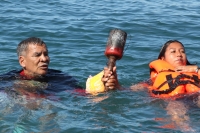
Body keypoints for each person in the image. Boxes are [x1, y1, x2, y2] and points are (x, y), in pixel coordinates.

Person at [1, 37, 118, 98]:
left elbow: (85, 95)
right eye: (37, 55)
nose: (44, 59)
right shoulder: (7, 80)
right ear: (22, 61)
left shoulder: (60, 79)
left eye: (46, 54)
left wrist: (105, 85)